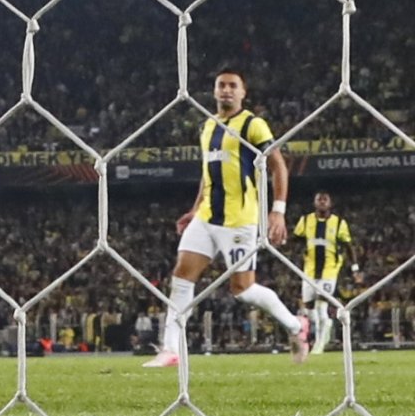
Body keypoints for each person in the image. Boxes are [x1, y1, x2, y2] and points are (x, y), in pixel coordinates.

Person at [143, 69, 309, 367]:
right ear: (214, 90)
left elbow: (278, 167)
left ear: (243, 93)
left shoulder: (253, 125)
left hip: (240, 220)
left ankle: (296, 326)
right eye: (221, 85)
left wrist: (278, 211)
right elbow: (208, 174)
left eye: (233, 86)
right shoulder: (208, 126)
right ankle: (171, 349)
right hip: (207, 217)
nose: (227, 90)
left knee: (242, 290)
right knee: (181, 277)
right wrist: (196, 208)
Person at [294, 190, 360, 354]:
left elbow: (349, 246)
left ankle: (320, 344)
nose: (322, 202)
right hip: (309, 271)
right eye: (319, 199)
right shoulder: (305, 220)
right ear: (314, 203)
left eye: (325, 199)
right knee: (309, 308)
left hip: (329, 271)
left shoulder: (339, 223)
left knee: (321, 306)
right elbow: (296, 240)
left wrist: (355, 269)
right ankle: (320, 334)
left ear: (330, 203)